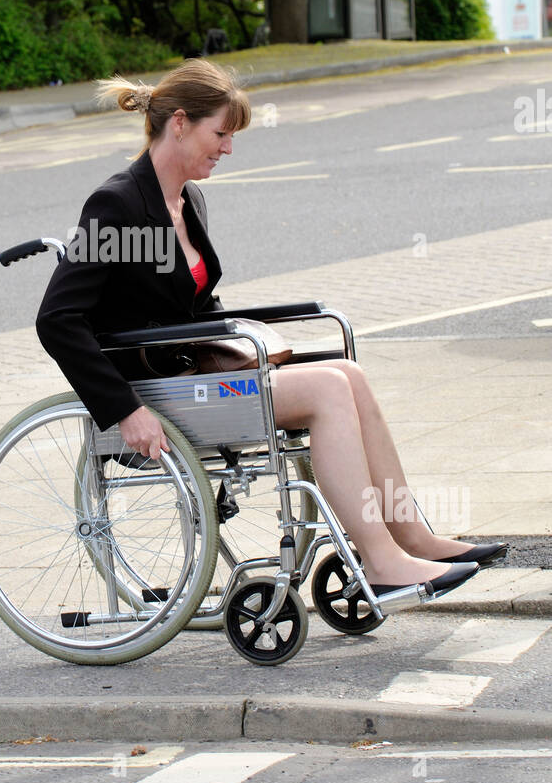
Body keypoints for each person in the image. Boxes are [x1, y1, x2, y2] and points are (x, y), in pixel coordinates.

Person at [36, 58, 506, 604]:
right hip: (153, 391)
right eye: (221, 133)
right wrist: (122, 408)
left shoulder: (187, 200)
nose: (228, 149)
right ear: (181, 123)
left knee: (347, 372)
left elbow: (195, 305)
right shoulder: (117, 204)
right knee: (329, 389)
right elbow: (56, 319)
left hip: (194, 374)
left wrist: (242, 340)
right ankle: (381, 561)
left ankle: (412, 536)